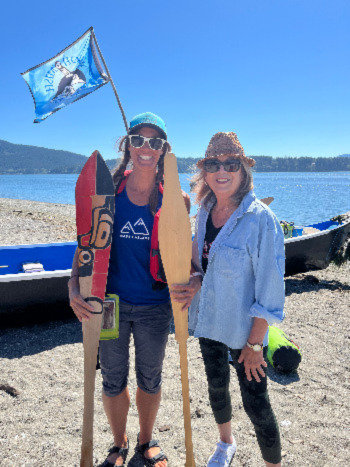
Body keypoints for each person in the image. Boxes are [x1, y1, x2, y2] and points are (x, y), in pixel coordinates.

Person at [69, 112, 190, 467]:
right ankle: (119, 444)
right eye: (138, 140)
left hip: (155, 305)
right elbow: (86, 243)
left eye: (155, 142)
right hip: (109, 304)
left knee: (150, 379)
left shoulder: (177, 200)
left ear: (165, 150)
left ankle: (146, 441)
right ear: (128, 146)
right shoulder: (108, 193)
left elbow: (184, 251)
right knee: (112, 378)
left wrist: (195, 279)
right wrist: (73, 283)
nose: (146, 147)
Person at [171, 132, 285, 466]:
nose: (222, 170)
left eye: (231, 164)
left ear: (243, 170)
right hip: (209, 319)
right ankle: (225, 443)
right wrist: (195, 278)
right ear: (204, 171)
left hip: (245, 330)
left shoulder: (261, 220)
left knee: (257, 403)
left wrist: (254, 345)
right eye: (213, 164)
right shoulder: (205, 210)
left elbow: (270, 289)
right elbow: (204, 260)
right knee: (216, 387)